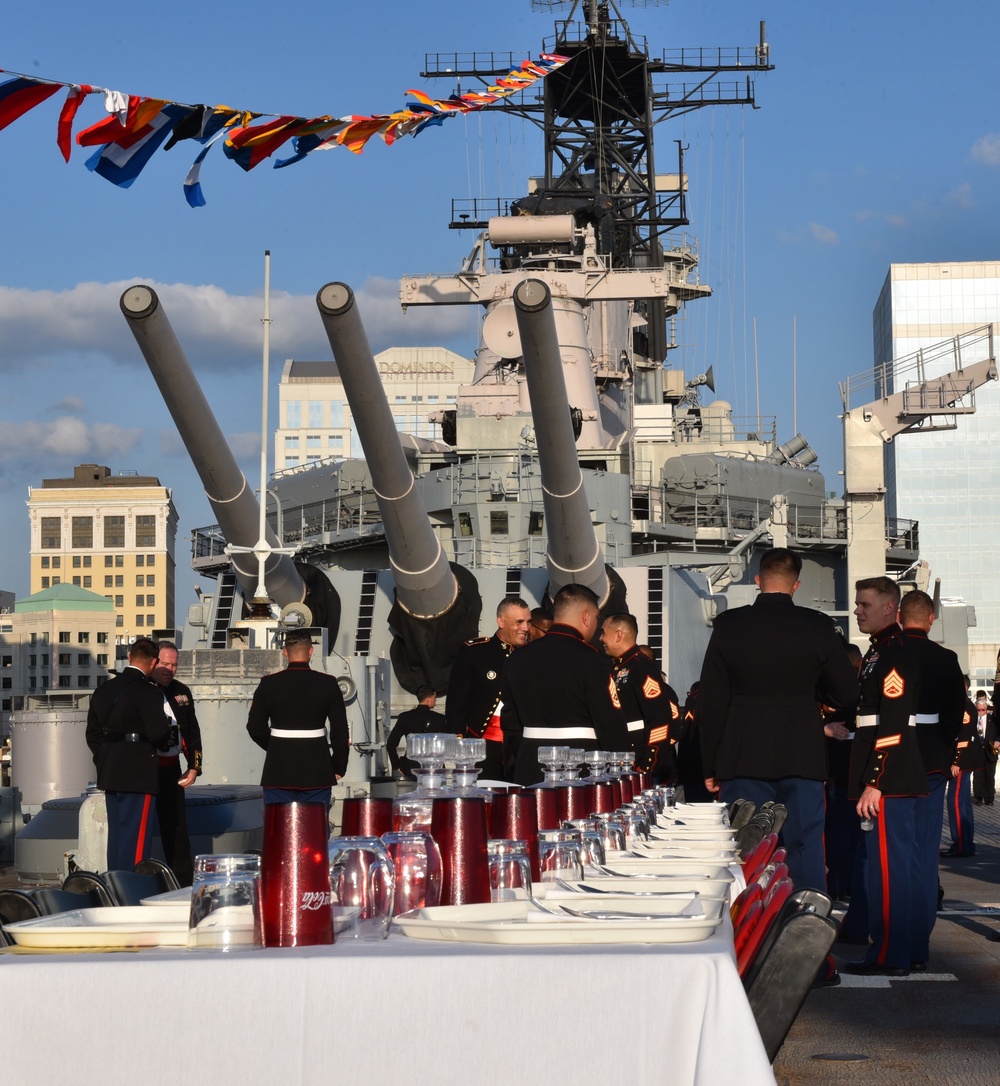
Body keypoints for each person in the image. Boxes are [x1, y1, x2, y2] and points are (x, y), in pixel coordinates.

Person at [697, 547, 857, 893]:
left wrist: (711, 765)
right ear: (796, 585)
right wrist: (813, 697)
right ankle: (809, 927)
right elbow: (846, 693)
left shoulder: (729, 626)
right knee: (805, 847)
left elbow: (712, 702)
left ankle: (746, 935)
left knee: (746, 847)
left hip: (743, 753)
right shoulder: (817, 626)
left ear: (758, 580)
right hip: (802, 751)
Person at [844, 576, 926, 977]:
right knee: (893, 868)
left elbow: (892, 721)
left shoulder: (893, 653)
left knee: (888, 872)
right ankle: (901, 950)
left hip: (889, 778)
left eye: (864, 604)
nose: (857, 610)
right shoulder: (879, 651)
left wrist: (875, 781)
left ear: (889, 607)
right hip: (890, 773)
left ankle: (889, 955)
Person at [502, 583, 630, 785]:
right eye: (596, 618)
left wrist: (525, 754)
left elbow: (511, 723)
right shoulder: (593, 660)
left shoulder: (517, 658)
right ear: (587, 617)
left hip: (529, 764)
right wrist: (621, 764)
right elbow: (609, 723)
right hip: (582, 767)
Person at [898, 590, 965, 965]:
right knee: (925, 852)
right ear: (932, 619)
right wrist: (941, 745)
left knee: (890, 853)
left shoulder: (888, 652)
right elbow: (956, 714)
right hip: (933, 763)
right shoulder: (946, 658)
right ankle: (921, 933)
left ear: (900, 615)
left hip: (891, 762)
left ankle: (891, 932)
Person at [85, 637, 170, 871]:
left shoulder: (103, 690)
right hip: (139, 771)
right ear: (154, 663)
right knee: (137, 839)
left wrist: (104, 758)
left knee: (118, 837)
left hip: (110, 770)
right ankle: (132, 890)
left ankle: (115, 884)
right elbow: (158, 733)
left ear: (130, 657)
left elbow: (92, 734)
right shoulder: (149, 692)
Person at [246, 629, 350, 808]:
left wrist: (276, 747)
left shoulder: (269, 684)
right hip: (318, 771)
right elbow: (340, 732)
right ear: (311, 651)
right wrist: (338, 766)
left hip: (278, 770)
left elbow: (255, 727)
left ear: (285, 652)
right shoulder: (328, 684)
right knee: (314, 830)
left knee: (279, 830)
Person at [445, 596, 531, 780]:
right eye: (519, 622)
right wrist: (459, 744)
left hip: (520, 746)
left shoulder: (532, 655)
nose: (526, 628)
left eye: (528, 622)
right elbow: (456, 703)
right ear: (500, 621)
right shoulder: (475, 651)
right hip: (481, 746)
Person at [599, 614, 680, 778]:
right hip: (619, 762)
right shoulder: (615, 667)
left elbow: (659, 719)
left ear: (618, 635)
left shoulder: (641, 667)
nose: (600, 638)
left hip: (636, 763)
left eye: (603, 632)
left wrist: (647, 764)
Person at [150, 642, 203, 886]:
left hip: (172, 772)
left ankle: (183, 885)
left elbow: (192, 731)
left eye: (174, 665)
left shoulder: (182, 692)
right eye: (164, 664)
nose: (169, 669)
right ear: (153, 662)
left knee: (178, 832)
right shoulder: (140, 690)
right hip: (144, 770)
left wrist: (194, 766)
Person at [943, 678, 981, 858]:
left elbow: (964, 736)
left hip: (962, 760)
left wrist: (956, 761)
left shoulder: (964, 707)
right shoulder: (964, 705)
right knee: (964, 803)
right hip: (965, 759)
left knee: (955, 801)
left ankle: (960, 843)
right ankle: (966, 843)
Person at [385, 685, 448, 779]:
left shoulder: (405, 717)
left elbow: (391, 744)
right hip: (434, 768)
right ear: (428, 700)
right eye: (434, 698)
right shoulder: (440, 719)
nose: (436, 700)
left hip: (410, 768)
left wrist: (396, 765)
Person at [971, 690, 999, 805]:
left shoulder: (992, 720)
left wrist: (998, 741)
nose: (981, 712)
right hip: (977, 750)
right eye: (978, 710)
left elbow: (998, 732)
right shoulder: (972, 720)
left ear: (986, 709)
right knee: (977, 775)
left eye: (983, 710)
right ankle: (978, 797)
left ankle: (989, 798)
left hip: (990, 750)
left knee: (989, 775)